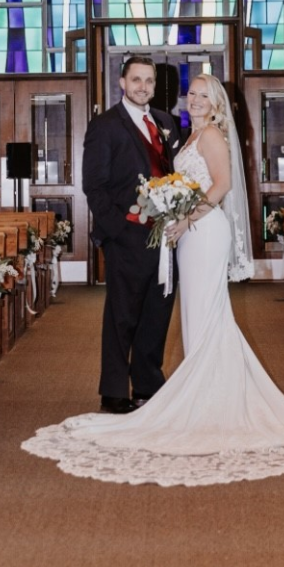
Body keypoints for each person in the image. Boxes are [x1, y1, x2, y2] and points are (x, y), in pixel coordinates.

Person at [22, 74, 284, 486]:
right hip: (181, 235)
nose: (195, 100)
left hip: (202, 231)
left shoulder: (211, 134)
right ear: (125, 83)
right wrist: (170, 214)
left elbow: (223, 185)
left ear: (215, 102)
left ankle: (208, 401)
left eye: (203, 95)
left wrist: (186, 216)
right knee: (196, 313)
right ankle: (200, 394)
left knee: (204, 309)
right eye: (192, 94)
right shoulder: (179, 132)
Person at [81, 55, 181, 415]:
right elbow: (93, 185)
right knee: (122, 316)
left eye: (149, 81)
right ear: (122, 83)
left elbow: (176, 176)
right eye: (136, 80)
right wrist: (118, 230)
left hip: (165, 237)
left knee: (157, 312)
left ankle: (147, 384)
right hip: (126, 237)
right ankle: (113, 391)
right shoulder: (106, 125)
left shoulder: (167, 122)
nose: (143, 87)